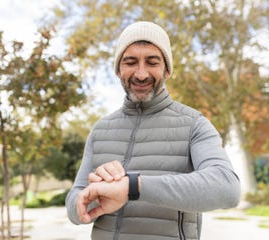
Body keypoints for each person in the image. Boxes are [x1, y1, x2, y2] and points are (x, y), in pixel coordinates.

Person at [66, 21, 241, 240]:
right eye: (130, 62)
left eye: (152, 62)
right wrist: (89, 199)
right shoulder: (100, 130)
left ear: (166, 69)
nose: (141, 74)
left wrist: (132, 186)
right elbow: (74, 202)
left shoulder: (194, 124)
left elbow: (227, 188)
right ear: (118, 70)